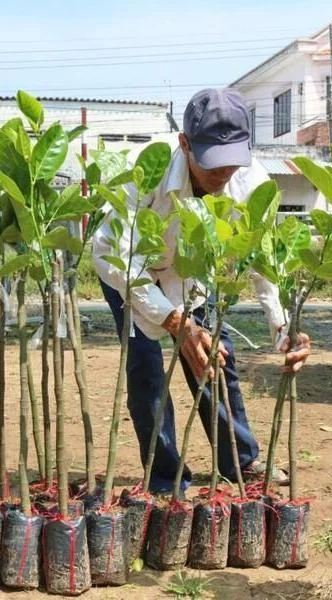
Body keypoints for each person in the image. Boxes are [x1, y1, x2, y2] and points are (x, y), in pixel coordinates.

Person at [92, 88, 310, 492]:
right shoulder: (149, 170)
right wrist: (174, 320)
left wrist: (283, 327)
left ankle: (240, 461)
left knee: (214, 358)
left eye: (231, 163)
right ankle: (165, 477)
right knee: (147, 373)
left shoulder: (250, 181)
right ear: (185, 143)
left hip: (195, 272)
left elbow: (262, 260)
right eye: (213, 165)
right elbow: (109, 254)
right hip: (132, 271)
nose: (223, 175)